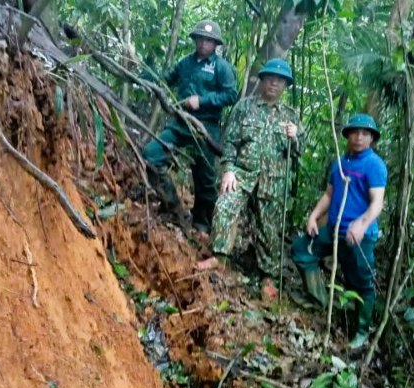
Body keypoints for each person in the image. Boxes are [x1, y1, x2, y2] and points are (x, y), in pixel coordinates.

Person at [195, 59, 300, 301]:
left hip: (273, 181)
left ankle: (268, 277)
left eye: (280, 80)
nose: (274, 83)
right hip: (242, 173)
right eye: (270, 78)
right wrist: (228, 169)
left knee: (269, 230)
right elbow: (230, 142)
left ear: (285, 85)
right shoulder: (244, 107)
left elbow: (297, 153)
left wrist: (296, 137)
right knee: (225, 205)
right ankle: (219, 257)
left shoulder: (290, 116)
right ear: (262, 80)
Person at [291, 114, 387, 349]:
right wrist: (314, 216)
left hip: (359, 237)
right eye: (355, 132)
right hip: (333, 231)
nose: (359, 137)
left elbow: (377, 202)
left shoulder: (374, 164)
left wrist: (362, 224)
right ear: (347, 136)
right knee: (302, 249)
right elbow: (329, 194)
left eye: (365, 133)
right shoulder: (340, 163)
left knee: (362, 283)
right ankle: (319, 300)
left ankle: (361, 331)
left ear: (372, 138)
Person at [142, 19, 238, 234]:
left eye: (209, 40)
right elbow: (167, 80)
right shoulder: (185, 63)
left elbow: (231, 95)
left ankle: (202, 224)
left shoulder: (221, 67)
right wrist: (148, 77)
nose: (203, 43)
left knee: (204, 178)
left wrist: (202, 101)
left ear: (215, 44)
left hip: (206, 127)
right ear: (195, 40)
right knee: (151, 154)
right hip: (181, 122)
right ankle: (173, 207)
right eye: (200, 39)